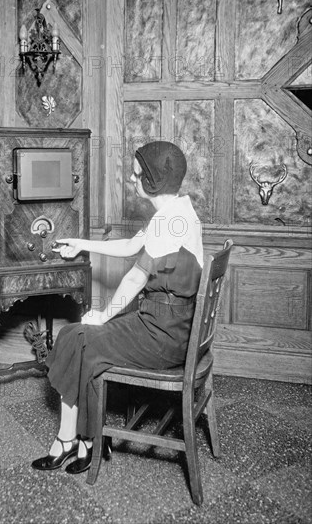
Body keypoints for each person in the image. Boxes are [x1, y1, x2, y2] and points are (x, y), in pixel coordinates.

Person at [32, 141, 203, 474]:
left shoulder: (169, 222)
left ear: (152, 180)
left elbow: (135, 278)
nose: (131, 178)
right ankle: (83, 440)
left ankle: (76, 440)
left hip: (162, 337)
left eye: (137, 173)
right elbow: (130, 247)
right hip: (169, 326)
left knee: (75, 336)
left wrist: (103, 314)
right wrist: (80, 245)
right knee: (78, 339)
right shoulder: (178, 211)